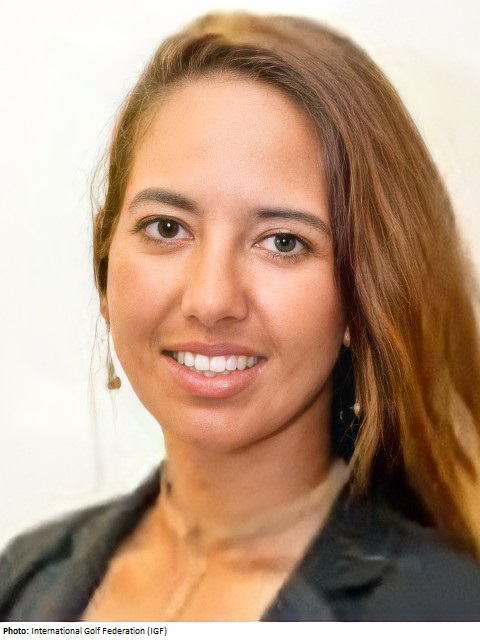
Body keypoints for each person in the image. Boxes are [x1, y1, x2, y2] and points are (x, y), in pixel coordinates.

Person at [1, 10, 480, 622]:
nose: (211, 300)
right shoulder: (23, 580)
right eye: (166, 228)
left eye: (282, 241)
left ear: (362, 294)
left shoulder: (447, 608)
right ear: (104, 264)